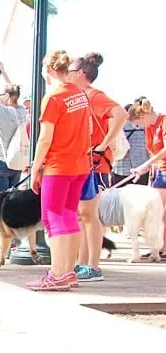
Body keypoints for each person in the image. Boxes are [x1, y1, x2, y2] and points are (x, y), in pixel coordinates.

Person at [27, 50, 91, 291]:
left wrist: (35, 167)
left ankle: (57, 272)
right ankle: (68, 271)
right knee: (68, 216)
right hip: (79, 165)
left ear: (49, 69)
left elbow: (45, 138)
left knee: (52, 218)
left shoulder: (53, 97)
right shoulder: (80, 95)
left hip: (58, 165)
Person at [68, 53, 128, 282]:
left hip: (97, 164)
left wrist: (103, 145)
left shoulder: (94, 95)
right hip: (84, 162)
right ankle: (83, 263)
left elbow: (120, 113)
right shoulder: (81, 97)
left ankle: (93, 265)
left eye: (71, 72)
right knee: (82, 215)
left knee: (89, 214)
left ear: (82, 74)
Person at [127, 98, 166, 256]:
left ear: (143, 116)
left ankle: (161, 247)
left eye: (138, 122)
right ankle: (159, 248)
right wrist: (146, 169)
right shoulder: (150, 127)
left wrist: (145, 165)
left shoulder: (163, 122)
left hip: (163, 170)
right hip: (159, 171)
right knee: (156, 212)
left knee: (159, 213)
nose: (139, 127)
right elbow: (153, 152)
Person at [114, 104, 149, 187]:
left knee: (119, 197)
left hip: (120, 168)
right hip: (141, 169)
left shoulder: (118, 127)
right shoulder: (144, 127)